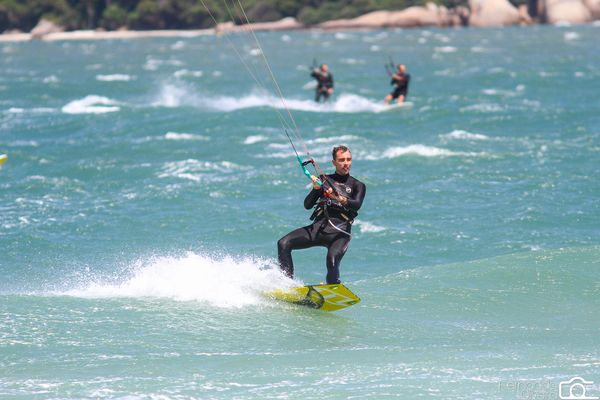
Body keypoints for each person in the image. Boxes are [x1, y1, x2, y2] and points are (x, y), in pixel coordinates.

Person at [277, 145, 366, 284]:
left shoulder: (357, 185)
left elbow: (356, 204)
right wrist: (315, 189)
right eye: (341, 160)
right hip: (318, 229)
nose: (346, 163)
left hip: (340, 233)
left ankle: (333, 288)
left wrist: (338, 198)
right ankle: (286, 285)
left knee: (332, 260)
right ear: (334, 162)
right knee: (283, 243)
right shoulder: (324, 180)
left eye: (348, 159)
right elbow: (307, 205)